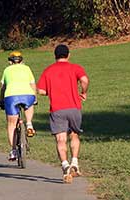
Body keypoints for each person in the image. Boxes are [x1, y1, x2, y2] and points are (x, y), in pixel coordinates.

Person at [37, 44, 89, 183]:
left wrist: (51, 91)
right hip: (74, 107)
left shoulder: (48, 70)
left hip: (57, 109)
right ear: (68, 55)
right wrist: (83, 92)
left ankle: (65, 165)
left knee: (61, 139)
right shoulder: (75, 68)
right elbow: (84, 80)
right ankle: (75, 162)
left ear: (55, 56)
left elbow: (41, 91)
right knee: (74, 135)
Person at [0, 51, 37, 161]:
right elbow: (32, 84)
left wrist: (1, 100)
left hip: (11, 96)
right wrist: (35, 97)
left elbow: (3, 86)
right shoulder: (27, 68)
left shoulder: (6, 70)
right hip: (27, 94)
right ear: (22, 61)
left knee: (11, 124)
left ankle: (13, 150)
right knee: (30, 103)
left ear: (10, 62)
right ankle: (29, 124)